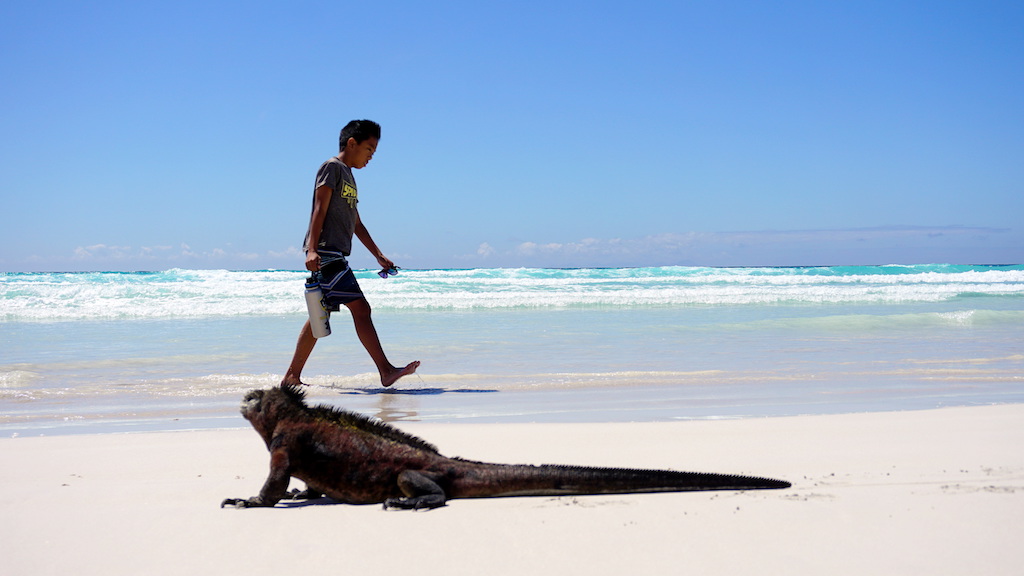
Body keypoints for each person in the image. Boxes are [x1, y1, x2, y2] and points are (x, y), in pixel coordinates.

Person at [282, 119, 420, 388]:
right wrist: (311, 249)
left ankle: (291, 377)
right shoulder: (331, 168)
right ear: (352, 143)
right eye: (369, 149)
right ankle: (386, 371)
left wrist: (378, 255)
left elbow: (356, 223)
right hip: (325, 253)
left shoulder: (350, 178)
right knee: (361, 308)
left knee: (320, 316)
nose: (371, 157)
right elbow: (319, 209)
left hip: (333, 255)